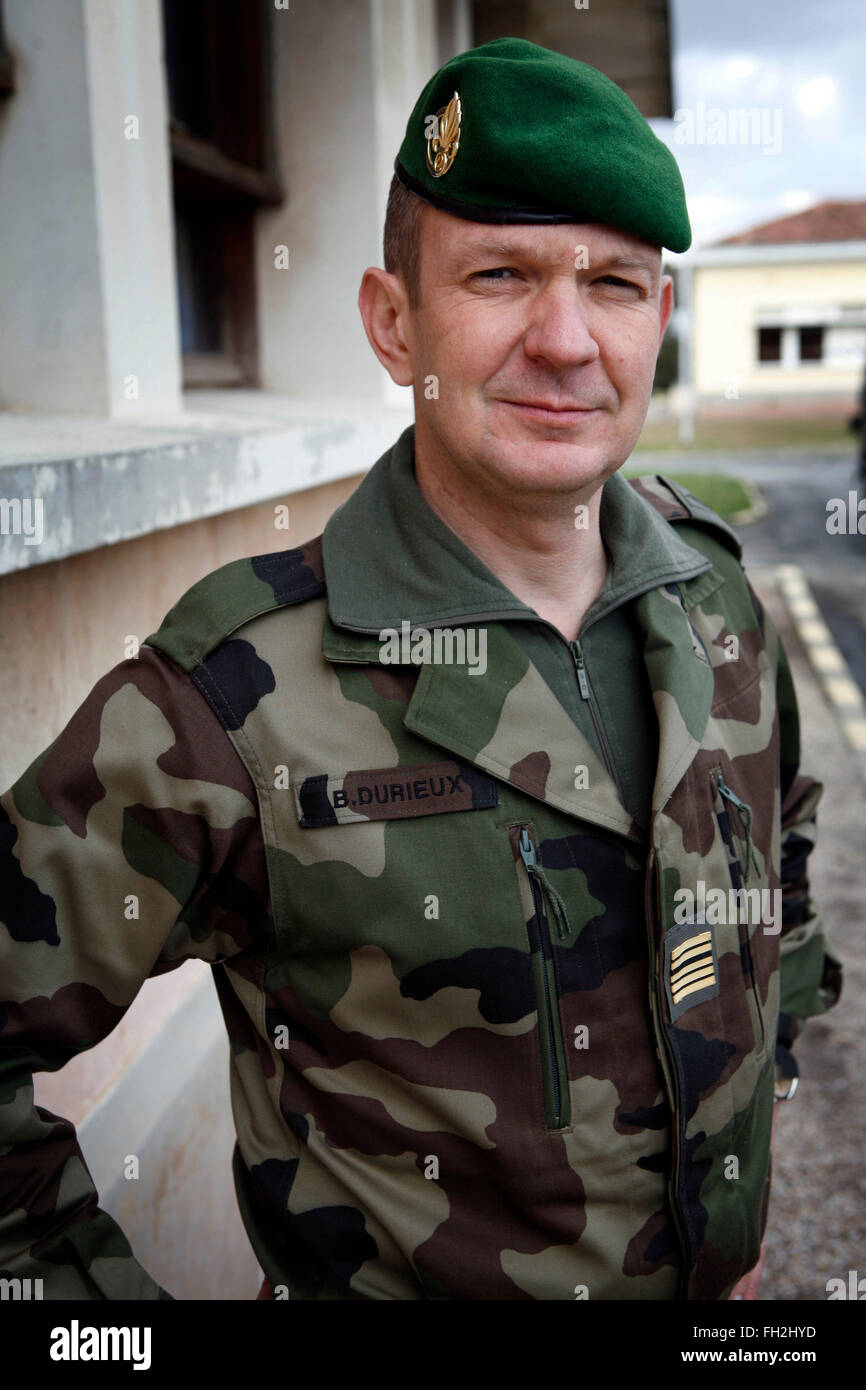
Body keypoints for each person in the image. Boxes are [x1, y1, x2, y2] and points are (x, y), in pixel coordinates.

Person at [0, 37, 841, 1302]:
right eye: (500, 275)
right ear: (395, 324)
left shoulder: (713, 596)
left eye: (613, 284)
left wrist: (750, 1129)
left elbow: (778, 857)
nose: (564, 340)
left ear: (658, 322)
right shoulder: (238, 692)